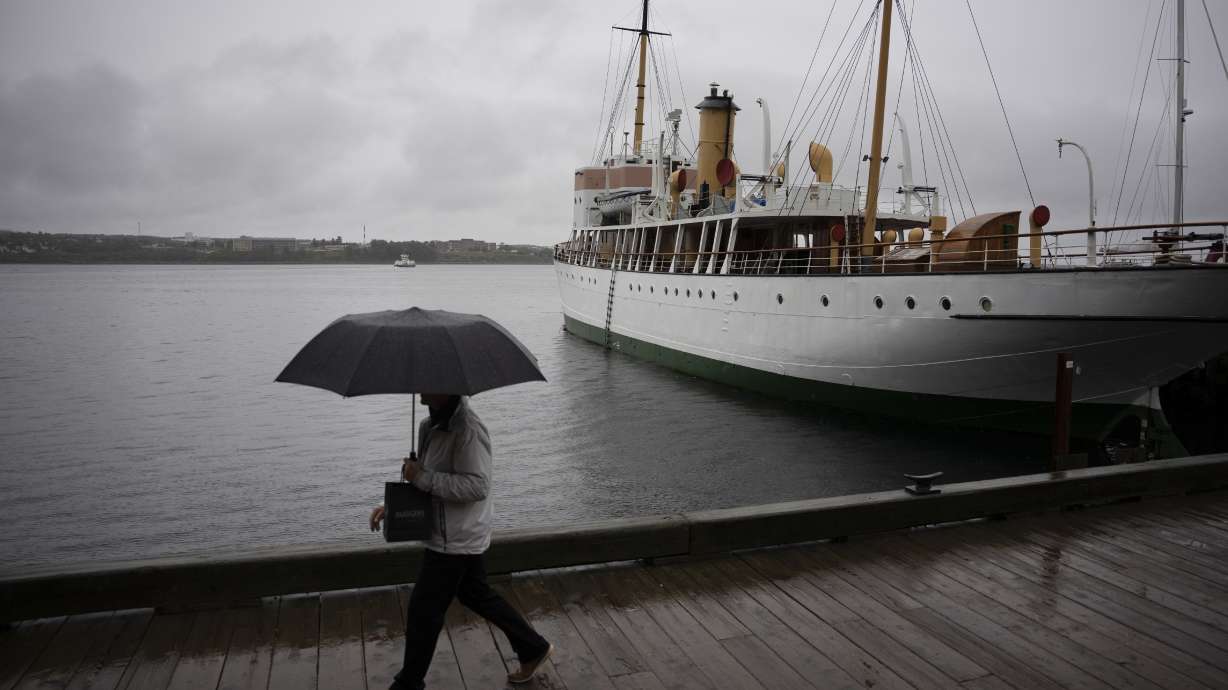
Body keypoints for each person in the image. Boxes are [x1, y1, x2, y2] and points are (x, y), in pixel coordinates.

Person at [370, 394, 552, 689]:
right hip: (445, 532)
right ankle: (532, 647)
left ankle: (408, 683)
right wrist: (391, 505)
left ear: (446, 386)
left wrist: (422, 478)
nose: (419, 389)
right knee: (474, 593)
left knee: (423, 610)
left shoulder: (468, 430)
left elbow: (478, 486)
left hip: (455, 536)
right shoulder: (429, 424)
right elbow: (422, 477)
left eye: (427, 381)